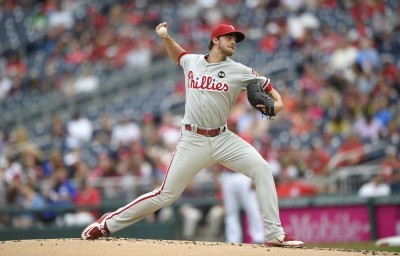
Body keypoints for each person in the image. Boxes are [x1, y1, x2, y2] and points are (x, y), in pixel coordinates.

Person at [81, 22, 304, 247]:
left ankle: (274, 234)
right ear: (215, 40)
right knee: (165, 194)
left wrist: (278, 104)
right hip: (193, 140)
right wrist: (165, 37)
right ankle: (107, 224)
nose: (234, 41)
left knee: (262, 169)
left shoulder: (239, 70)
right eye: (229, 37)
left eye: (236, 39)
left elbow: (266, 85)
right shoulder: (193, 61)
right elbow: (179, 55)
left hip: (223, 138)